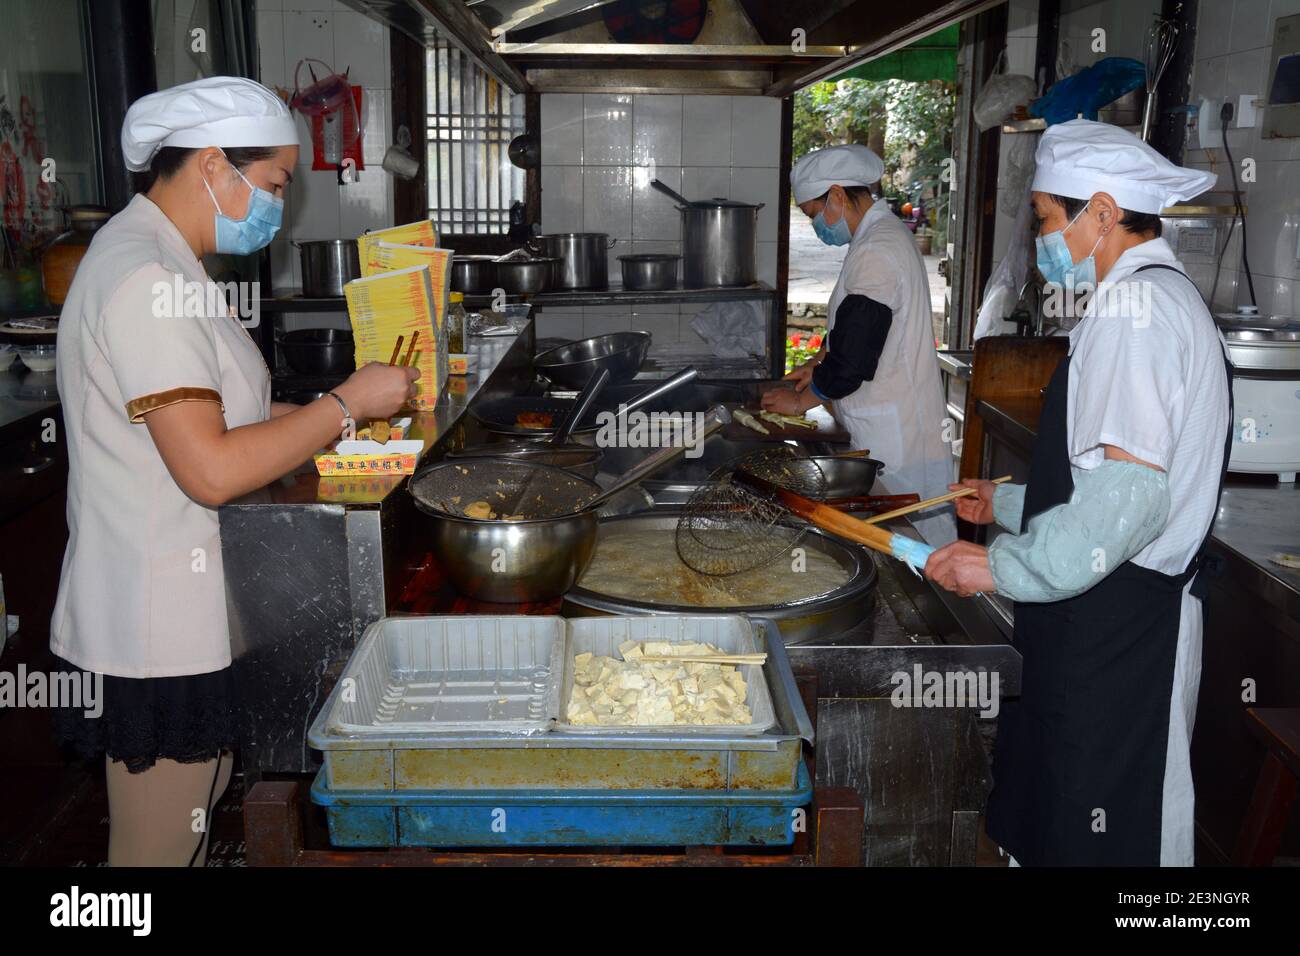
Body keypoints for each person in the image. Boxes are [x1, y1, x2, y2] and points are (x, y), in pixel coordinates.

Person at [50, 77, 417, 866]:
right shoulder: (147, 281)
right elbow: (211, 469)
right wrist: (346, 405)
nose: (277, 207)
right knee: (150, 858)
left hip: (184, 608)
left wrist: (342, 416)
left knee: (195, 807)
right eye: (275, 183)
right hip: (153, 626)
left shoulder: (166, 262)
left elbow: (226, 426)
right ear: (215, 165)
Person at [923, 120, 1227, 866]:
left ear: (1100, 211)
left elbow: (1129, 501)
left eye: (1044, 219)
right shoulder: (1145, 297)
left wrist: (1000, 568)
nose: (1040, 239)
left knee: (1104, 833)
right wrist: (1010, 508)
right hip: (1097, 607)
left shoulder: (1137, 314)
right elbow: (1099, 484)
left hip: (1121, 627)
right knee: (1062, 816)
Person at [766, 144, 955, 543]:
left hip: (897, 434)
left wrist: (801, 402)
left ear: (836, 195)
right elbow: (853, 326)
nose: (818, 226)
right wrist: (818, 362)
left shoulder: (877, 250)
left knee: (915, 541)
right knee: (905, 536)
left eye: (814, 215)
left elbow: (854, 356)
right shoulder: (879, 237)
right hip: (891, 419)